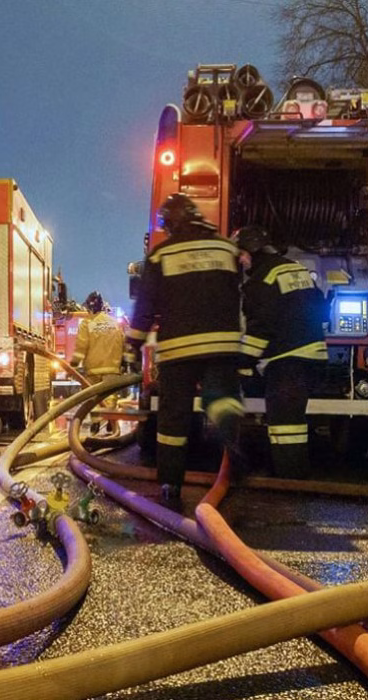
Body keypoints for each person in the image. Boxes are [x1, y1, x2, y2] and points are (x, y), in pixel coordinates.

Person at [125, 194, 245, 508]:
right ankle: (228, 432)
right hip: (223, 344)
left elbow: (145, 307)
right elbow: (239, 292)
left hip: (179, 349)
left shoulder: (161, 255)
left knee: (173, 419)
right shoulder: (226, 248)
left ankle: (170, 484)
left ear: (171, 223)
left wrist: (132, 346)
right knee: (222, 398)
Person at [235, 224, 328, 479]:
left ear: (252, 251)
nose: (241, 261)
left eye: (242, 254)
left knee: (286, 428)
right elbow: (321, 306)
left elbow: (259, 330)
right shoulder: (296, 269)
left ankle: (290, 482)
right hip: (313, 357)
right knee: (292, 422)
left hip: (287, 362)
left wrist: (243, 364)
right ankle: (291, 477)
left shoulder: (260, 281)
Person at [72, 291, 124, 436]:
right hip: (112, 368)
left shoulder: (87, 323)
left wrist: (74, 364)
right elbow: (123, 342)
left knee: (93, 397)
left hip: (93, 370)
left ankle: (95, 423)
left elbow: (81, 346)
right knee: (110, 396)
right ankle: (111, 422)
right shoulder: (114, 323)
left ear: (89, 307)